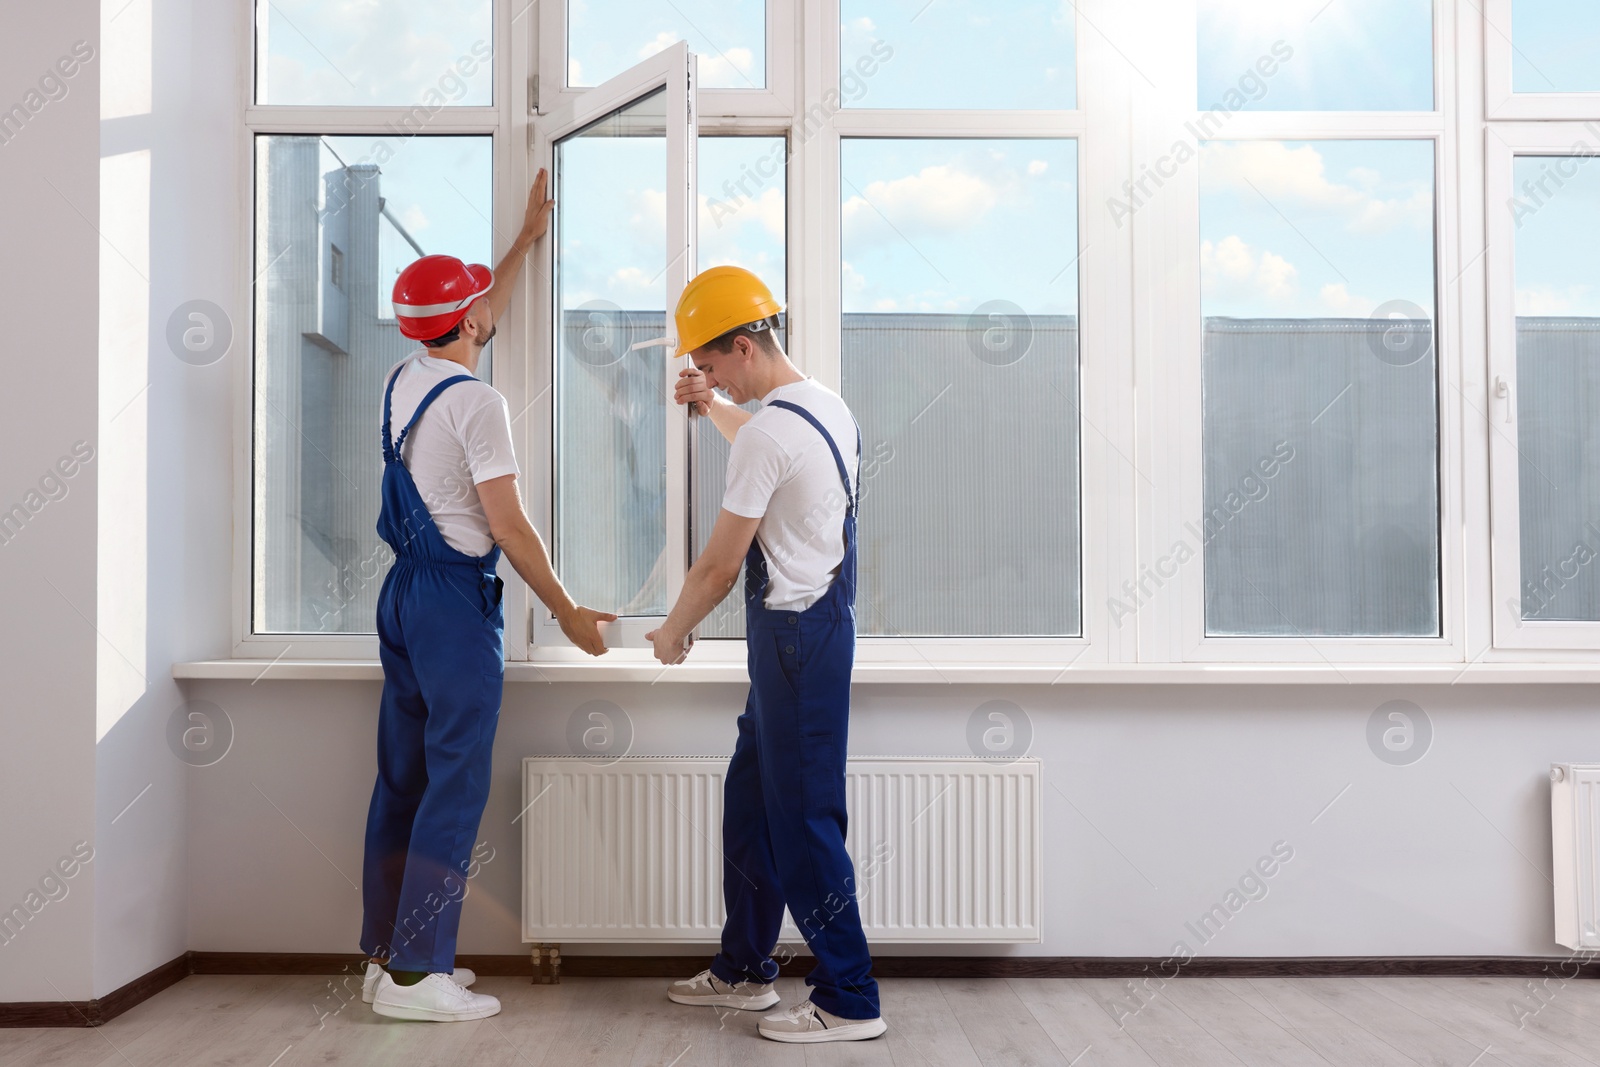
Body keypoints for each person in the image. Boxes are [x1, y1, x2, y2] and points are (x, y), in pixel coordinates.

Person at [359, 168, 615, 1023]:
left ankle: (388, 958)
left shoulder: (405, 380)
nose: (487, 314)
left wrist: (522, 241)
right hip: (452, 606)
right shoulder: (479, 402)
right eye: (479, 308)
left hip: (400, 599)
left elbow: (469, 310)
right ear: (469, 324)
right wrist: (570, 611)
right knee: (455, 782)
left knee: (404, 776)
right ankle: (419, 974)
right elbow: (509, 528)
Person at [649, 266, 887, 1043]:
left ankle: (848, 996)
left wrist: (673, 628)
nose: (704, 376)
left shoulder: (769, 433)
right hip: (810, 631)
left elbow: (719, 567)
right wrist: (713, 406)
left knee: (803, 819)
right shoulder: (823, 407)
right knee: (751, 802)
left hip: (794, 642)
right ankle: (747, 967)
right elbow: (768, 453)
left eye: (711, 366)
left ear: (744, 346)